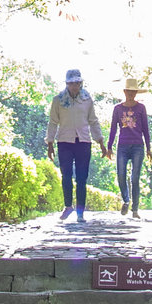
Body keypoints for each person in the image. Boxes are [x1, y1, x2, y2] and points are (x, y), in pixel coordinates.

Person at [45, 67, 108, 222]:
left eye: (77, 83)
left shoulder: (87, 99)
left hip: (83, 141)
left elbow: (93, 121)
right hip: (65, 141)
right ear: (67, 84)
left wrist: (100, 141)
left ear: (81, 83)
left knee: (81, 177)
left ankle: (80, 212)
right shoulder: (58, 100)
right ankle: (68, 206)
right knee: (66, 175)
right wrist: (50, 143)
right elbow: (53, 122)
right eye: (71, 83)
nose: (74, 86)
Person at [108, 77, 152, 218]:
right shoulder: (118, 109)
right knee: (121, 175)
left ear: (136, 93)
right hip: (122, 145)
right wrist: (109, 147)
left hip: (138, 146)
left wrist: (149, 148)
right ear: (124, 91)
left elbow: (145, 129)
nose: (131, 94)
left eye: (134, 92)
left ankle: (135, 209)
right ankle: (126, 200)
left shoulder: (141, 108)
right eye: (129, 91)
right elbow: (113, 129)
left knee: (135, 178)